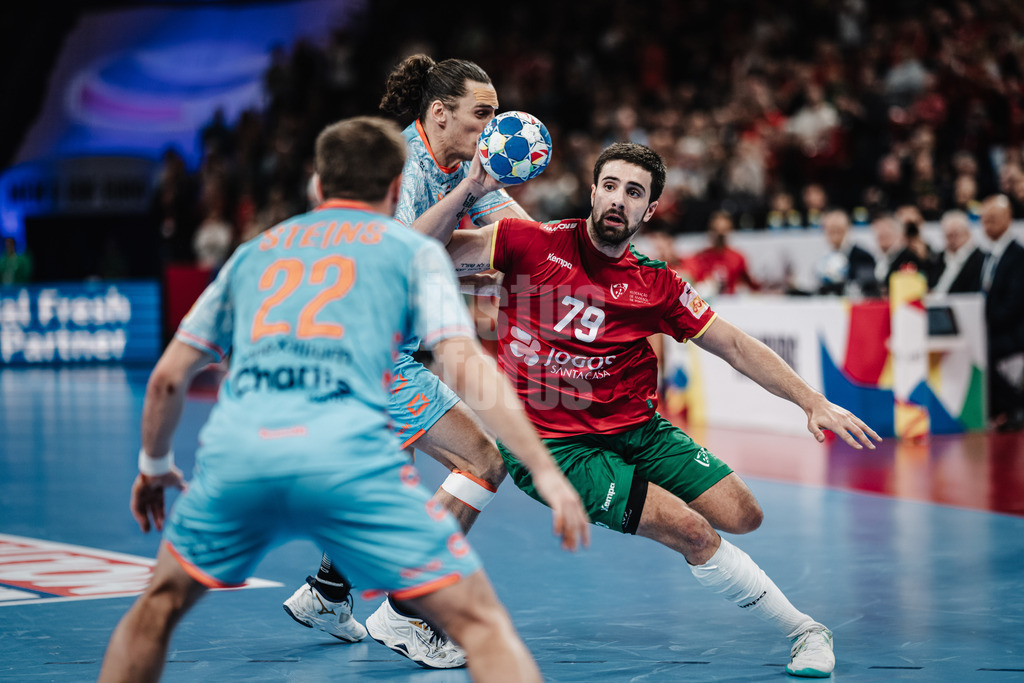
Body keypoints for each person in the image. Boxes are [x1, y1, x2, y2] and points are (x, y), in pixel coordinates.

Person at [98, 116, 589, 683]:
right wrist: (544, 469)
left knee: (157, 608)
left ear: (316, 187)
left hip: (243, 459)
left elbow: (167, 379)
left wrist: (154, 465)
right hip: (345, 463)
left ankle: (329, 590)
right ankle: (391, 614)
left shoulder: (255, 253)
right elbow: (465, 363)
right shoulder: (411, 254)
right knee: (482, 626)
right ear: (392, 190)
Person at [416, 142, 882, 678]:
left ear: (649, 210)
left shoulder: (656, 284)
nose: (618, 200)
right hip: (553, 444)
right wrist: (469, 190)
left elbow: (733, 344)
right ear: (593, 192)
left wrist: (811, 400)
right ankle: (805, 631)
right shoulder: (528, 242)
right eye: (610, 186)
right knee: (693, 531)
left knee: (744, 516)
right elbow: (423, 254)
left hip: (638, 427)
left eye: (633, 192)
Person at [281, 54, 534, 669]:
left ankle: (328, 592)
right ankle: (407, 610)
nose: (493, 129)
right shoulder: (399, 165)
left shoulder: (459, 166)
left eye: (498, 116)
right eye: (483, 115)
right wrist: (474, 190)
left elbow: (522, 233)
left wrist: (579, 250)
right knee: (481, 460)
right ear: (440, 113)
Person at [978, 195, 1024, 431]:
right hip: (993, 328)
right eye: (984, 220)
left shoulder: (1018, 255)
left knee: (980, 354)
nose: (987, 226)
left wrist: (985, 323)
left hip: (1012, 332)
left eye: (993, 219)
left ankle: (1015, 406)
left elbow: (1015, 303)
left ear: (1008, 219)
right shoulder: (990, 254)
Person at [681, 211, 759, 296]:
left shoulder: (737, 257)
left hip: (730, 303)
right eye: (716, 230)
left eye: (724, 231)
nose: (720, 235)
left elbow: (751, 284)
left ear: (730, 230)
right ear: (710, 231)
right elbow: (692, 281)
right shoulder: (701, 258)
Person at [814, 208, 878, 296]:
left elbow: (866, 288)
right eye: (830, 230)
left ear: (848, 229)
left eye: (838, 229)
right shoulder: (823, 259)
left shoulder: (863, 257)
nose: (834, 234)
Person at [930, 209, 985, 294]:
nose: (952, 241)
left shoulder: (980, 259)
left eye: (955, 235)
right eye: (948, 236)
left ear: (967, 233)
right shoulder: (939, 258)